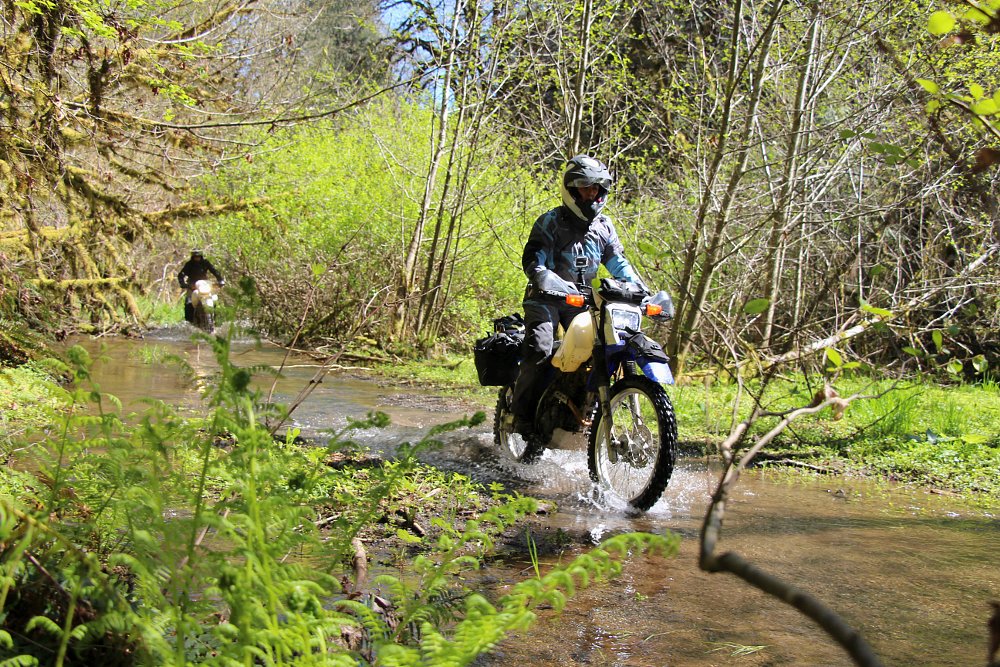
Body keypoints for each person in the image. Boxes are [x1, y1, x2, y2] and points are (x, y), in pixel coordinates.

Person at [511, 155, 649, 436]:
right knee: (541, 346)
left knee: (602, 347)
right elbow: (534, 261)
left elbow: (618, 262)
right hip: (545, 298)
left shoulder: (604, 226)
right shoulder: (549, 221)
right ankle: (521, 416)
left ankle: (580, 406)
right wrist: (548, 279)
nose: (592, 193)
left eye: (597, 188)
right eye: (586, 187)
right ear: (571, 189)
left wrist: (641, 291)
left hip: (584, 301)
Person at [177, 249, 224, 323]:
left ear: (201, 256)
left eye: (198, 256)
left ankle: (215, 320)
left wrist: (220, 280)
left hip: (205, 284)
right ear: (192, 257)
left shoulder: (205, 263)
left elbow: (214, 271)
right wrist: (183, 283)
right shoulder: (189, 264)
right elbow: (181, 275)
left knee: (215, 300)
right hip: (193, 286)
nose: (197, 258)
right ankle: (189, 323)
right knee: (189, 302)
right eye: (195, 257)